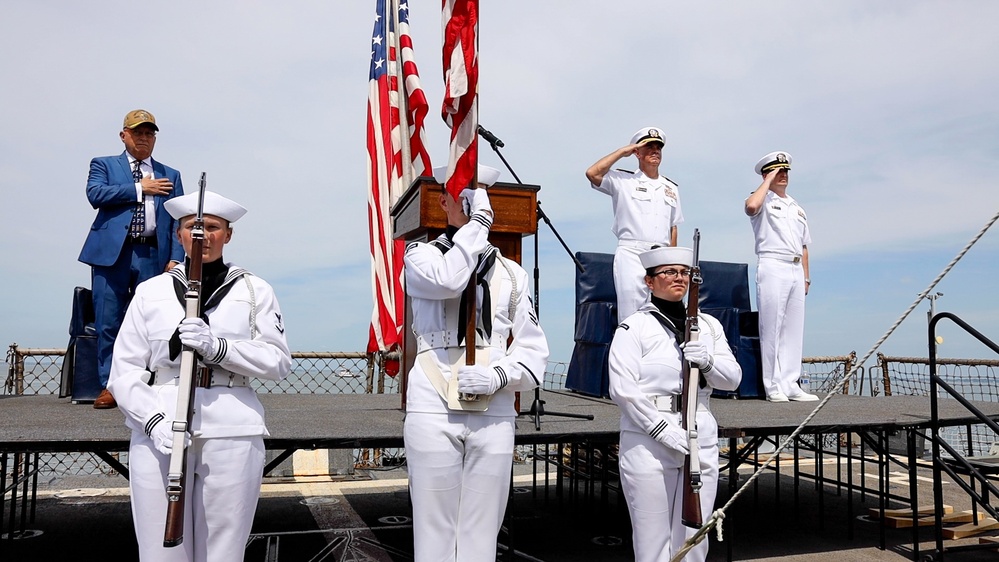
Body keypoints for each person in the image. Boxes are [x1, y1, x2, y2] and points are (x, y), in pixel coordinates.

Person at [107, 190, 291, 561]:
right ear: (178, 235)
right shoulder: (150, 292)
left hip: (232, 427)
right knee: (161, 552)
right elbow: (124, 372)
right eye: (193, 227)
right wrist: (153, 420)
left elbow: (277, 362)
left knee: (224, 550)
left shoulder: (255, 291)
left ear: (228, 234)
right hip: (159, 429)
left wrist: (220, 348)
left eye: (212, 227)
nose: (202, 235)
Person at [403, 164, 550, 562]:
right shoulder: (421, 256)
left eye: (480, 192)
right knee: (434, 532)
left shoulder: (513, 274)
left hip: (494, 408)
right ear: (445, 200)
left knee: (481, 534)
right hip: (433, 404)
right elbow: (451, 280)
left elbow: (536, 353)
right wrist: (476, 226)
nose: (471, 200)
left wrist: (500, 376)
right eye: (463, 192)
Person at [608, 246, 741, 562]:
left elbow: (733, 379)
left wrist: (707, 362)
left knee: (694, 538)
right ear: (649, 281)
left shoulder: (707, 327)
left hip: (700, 432)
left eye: (684, 273)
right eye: (668, 272)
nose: (678, 278)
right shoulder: (634, 327)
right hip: (649, 437)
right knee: (652, 539)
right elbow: (622, 388)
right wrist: (661, 429)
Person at [79, 109, 185, 409]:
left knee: (151, 321)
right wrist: (141, 188)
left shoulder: (171, 174)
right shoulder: (104, 164)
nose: (144, 138)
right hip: (112, 255)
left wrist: (177, 258)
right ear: (123, 134)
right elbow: (96, 194)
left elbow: (180, 220)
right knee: (108, 321)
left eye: (149, 133)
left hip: (153, 254)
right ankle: (110, 385)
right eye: (138, 132)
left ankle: (147, 383)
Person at [585, 126, 684, 321]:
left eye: (658, 147)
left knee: (662, 313)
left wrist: (671, 261)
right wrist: (622, 152)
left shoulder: (670, 187)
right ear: (637, 152)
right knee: (631, 313)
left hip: (660, 257)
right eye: (649, 147)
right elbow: (592, 173)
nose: (655, 151)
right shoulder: (623, 180)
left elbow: (673, 227)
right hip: (632, 253)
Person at [744, 151, 816, 402]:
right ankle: (772, 385)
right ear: (767, 174)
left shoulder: (796, 207)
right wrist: (767, 181)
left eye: (785, 171)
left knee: (793, 329)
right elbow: (751, 207)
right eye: (777, 171)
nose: (783, 175)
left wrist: (806, 277)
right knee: (771, 326)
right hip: (772, 264)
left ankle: (791, 383)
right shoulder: (762, 199)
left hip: (795, 268)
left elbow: (804, 245)